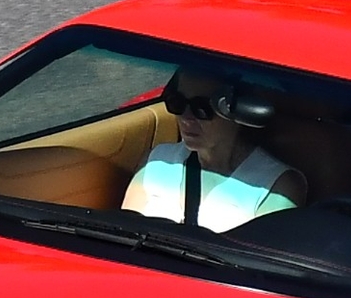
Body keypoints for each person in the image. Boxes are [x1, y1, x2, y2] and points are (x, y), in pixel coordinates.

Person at [121, 69, 307, 231]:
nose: (186, 118)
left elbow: (258, 266)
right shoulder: (156, 161)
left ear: (239, 110)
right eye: (177, 102)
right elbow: (124, 239)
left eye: (201, 108)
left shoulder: (276, 186)